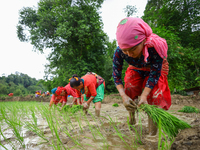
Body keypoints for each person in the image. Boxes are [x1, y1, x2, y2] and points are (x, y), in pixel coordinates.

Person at [113, 17, 171, 136]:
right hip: (136, 67)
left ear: (143, 41)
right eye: (125, 51)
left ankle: (152, 133)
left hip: (155, 70)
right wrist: (123, 96)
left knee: (154, 94)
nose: (129, 54)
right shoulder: (119, 51)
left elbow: (155, 74)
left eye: (133, 49)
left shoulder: (155, 47)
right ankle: (132, 116)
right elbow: (116, 74)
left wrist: (144, 96)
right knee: (130, 84)